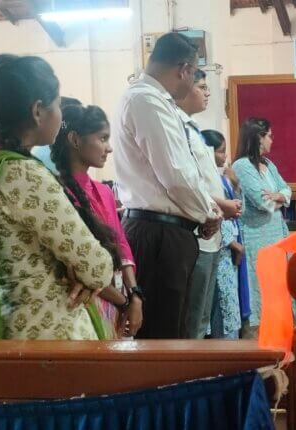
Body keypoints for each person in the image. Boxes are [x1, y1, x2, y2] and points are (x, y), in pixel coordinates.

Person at [0, 55, 115, 339]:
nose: (60, 114)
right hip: (50, 335)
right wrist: (80, 272)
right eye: (57, 105)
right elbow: (97, 268)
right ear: (38, 111)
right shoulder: (23, 174)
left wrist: (74, 268)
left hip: (13, 329)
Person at [111, 32, 221, 339]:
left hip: (165, 230)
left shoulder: (156, 101)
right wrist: (207, 213)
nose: (195, 82)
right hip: (157, 233)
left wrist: (205, 212)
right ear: (184, 70)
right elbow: (176, 175)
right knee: (162, 335)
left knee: (174, 330)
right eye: (195, 74)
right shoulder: (146, 100)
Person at [49, 102, 144, 338]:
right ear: (75, 139)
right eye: (102, 138)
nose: (109, 148)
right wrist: (124, 302)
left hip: (118, 297)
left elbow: (122, 246)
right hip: (85, 303)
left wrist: (135, 295)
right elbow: (79, 266)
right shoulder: (57, 195)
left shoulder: (104, 191)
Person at [175, 69, 242, 339]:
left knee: (203, 317)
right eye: (202, 87)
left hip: (212, 234)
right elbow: (185, 183)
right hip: (198, 235)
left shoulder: (192, 130)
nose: (208, 92)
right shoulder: (177, 129)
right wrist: (220, 206)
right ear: (183, 86)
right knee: (194, 319)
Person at [232, 117, 291, 337]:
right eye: (269, 136)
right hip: (257, 239)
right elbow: (263, 203)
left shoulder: (268, 164)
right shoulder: (242, 166)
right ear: (258, 137)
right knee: (260, 291)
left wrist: (279, 196)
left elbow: (287, 190)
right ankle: (259, 344)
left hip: (277, 235)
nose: (272, 140)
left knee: (278, 289)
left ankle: (280, 340)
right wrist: (279, 198)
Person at [202, 129, 248, 339]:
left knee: (230, 303)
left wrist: (236, 185)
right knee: (220, 304)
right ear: (207, 152)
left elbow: (238, 211)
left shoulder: (221, 179)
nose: (225, 156)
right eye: (220, 151)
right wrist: (232, 243)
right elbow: (211, 214)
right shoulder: (204, 180)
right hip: (218, 250)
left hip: (227, 255)